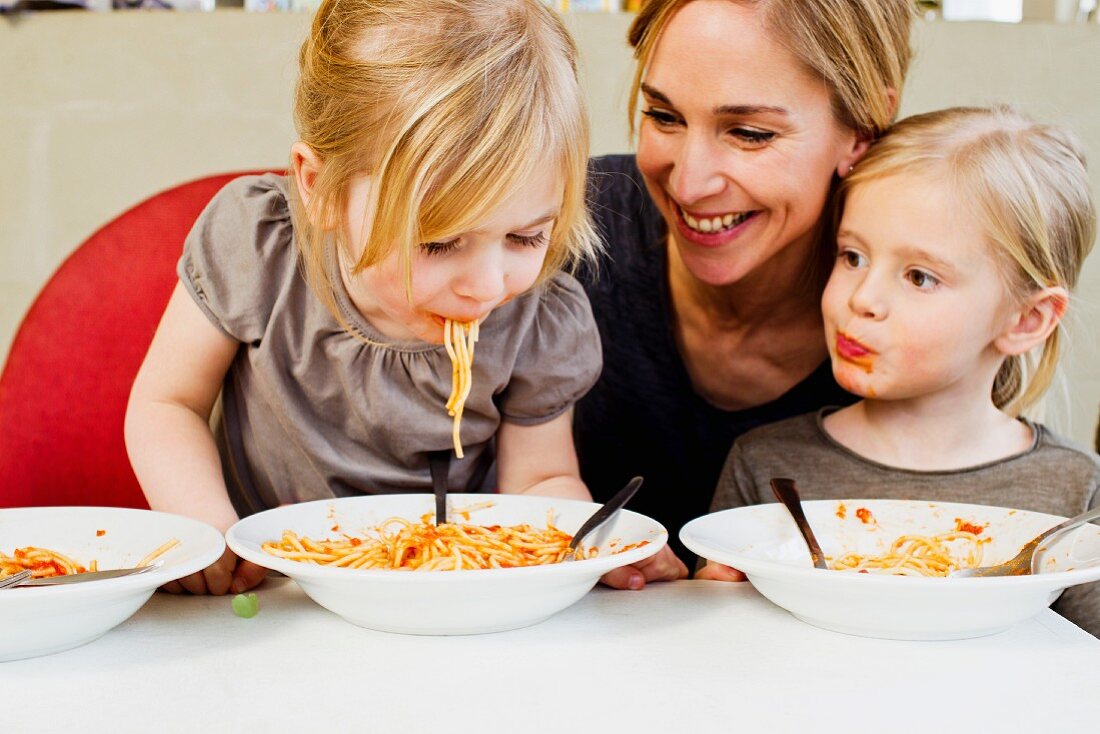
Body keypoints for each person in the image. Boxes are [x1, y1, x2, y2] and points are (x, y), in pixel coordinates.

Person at [125, 0, 680, 595]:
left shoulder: (539, 317)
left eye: (525, 237)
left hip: (441, 590)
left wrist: (589, 542)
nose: (488, 286)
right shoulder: (258, 248)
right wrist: (207, 528)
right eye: (440, 242)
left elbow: (540, 479)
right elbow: (168, 405)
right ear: (321, 189)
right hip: (275, 590)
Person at [703, 106, 1100, 636]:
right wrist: (711, 602)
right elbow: (724, 651)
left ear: (1026, 319)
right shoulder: (766, 464)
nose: (862, 298)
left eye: (919, 276)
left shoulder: (1078, 492)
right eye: (852, 256)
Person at [575, 0, 914, 576]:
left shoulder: (928, 305)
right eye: (664, 116)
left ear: (861, 129)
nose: (689, 182)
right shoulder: (558, 233)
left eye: (749, 133)